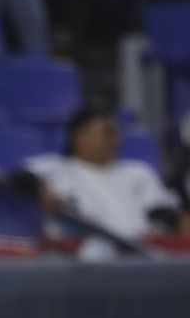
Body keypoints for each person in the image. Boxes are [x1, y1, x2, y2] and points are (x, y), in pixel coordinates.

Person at [23, 104, 186, 260]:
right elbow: (20, 179)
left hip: (139, 255)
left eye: (117, 132)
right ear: (79, 135)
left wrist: (179, 221)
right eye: (108, 132)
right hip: (79, 259)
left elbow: (161, 212)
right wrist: (40, 189)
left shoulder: (138, 172)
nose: (116, 139)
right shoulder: (54, 168)